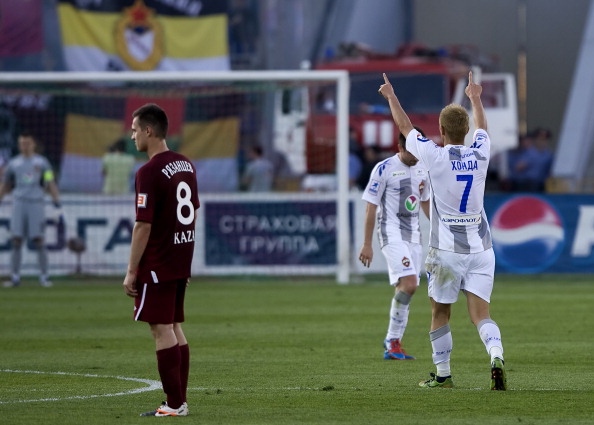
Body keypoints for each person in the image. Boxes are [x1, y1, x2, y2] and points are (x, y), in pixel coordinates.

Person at [378, 71, 507, 390]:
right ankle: (495, 354)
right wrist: (475, 98)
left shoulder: (433, 156)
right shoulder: (480, 152)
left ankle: (444, 374)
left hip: (446, 253)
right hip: (481, 250)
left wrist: (392, 96)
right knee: (481, 315)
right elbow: (484, 128)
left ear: (440, 130)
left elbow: (406, 129)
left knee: (440, 313)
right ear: (466, 130)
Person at [122, 104, 200, 416]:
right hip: (179, 258)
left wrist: (131, 271)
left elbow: (143, 225)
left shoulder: (149, 171)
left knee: (161, 329)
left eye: (134, 129)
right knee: (174, 326)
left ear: (149, 131)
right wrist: (185, 259)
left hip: (158, 262)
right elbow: (193, 211)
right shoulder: (186, 164)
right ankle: (179, 402)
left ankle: (174, 404)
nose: (132, 136)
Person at [358, 128, 430, 360]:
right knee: (410, 284)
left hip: (414, 236)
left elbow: (425, 201)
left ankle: (393, 342)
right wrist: (367, 244)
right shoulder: (384, 168)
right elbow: (371, 207)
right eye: (411, 152)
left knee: (405, 287)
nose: (415, 157)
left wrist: (441, 229)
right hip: (391, 232)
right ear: (400, 147)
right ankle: (392, 340)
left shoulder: (423, 167)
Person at [0, 132, 61, 288]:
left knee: (39, 239)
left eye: (27, 143)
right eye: (21, 143)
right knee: (16, 239)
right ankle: (14, 277)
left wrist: (56, 201)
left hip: (36, 203)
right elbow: (6, 184)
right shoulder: (13, 164)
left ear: (33, 144)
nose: (24, 146)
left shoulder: (42, 163)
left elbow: (49, 181)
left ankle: (44, 276)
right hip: (19, 202)